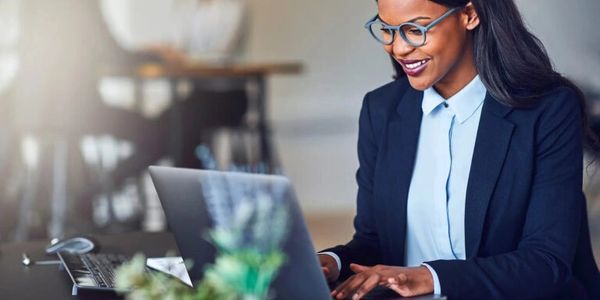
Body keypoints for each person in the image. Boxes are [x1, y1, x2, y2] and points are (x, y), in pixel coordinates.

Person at [317, 0, 600, 299]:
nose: (398, 48)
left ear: (469, 13)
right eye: (388, 29)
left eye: (415, 29)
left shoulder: (548, 110)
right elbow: (375, 243)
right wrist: (331, 263)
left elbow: (546, 262)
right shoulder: (381, 110)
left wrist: (431, 278)